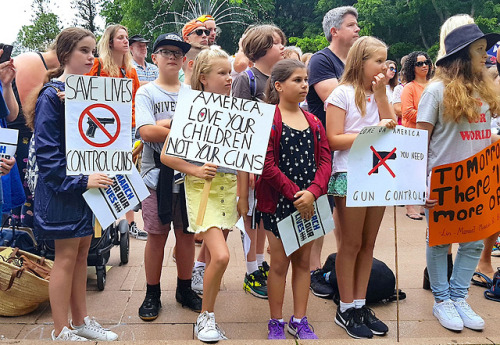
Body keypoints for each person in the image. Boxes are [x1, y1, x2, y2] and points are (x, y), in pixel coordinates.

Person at [28, 27, 118, 341]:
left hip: (85, 191)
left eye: (92, 50)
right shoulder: (51, 96)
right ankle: (60, 329)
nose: (90, 57)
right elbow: (48, 156)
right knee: (65, 259)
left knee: (82, 255)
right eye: (83, 50)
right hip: (63, 192)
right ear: (65, 54)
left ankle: (79, 322)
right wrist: (83, 179)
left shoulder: (83, 93)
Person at [417, 23, 500, 332]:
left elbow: (480, 133)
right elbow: (419, 142)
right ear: (463, 55)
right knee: (439, 243)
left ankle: (458, 296)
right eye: (480, 50)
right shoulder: (435, 91)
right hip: (441, 182)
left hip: (477, 181)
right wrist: (419, 185)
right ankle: (442, 301)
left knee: (475, 240)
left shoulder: (485, 89)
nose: (487, 55)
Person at [162, 48, 242, 342]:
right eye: (222, 73)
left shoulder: (237, 110)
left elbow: (244, 159)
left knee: (214, 257)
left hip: (229, 189)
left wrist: (244, 195)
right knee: (220, 256)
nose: (229, 79)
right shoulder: (189, 109)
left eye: (230, 73)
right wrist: (194, 171)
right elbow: (167, 157)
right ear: (204, 78)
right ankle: (205, 318)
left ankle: (207, 310)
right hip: (201, 190)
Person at [325, 36, 397, 339]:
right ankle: (345, 308)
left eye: (386, 61)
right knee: (351, 244)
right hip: (349, 174)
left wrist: (381, 97)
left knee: (369, 243)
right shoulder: (341, 93)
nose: (384, 67)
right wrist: (371, 132)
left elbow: (393, 127)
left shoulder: (383, 92)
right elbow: (334, 139)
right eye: (378, 61)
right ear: (360, 61)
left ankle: (359, 303)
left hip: (378, 172)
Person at [256, 59, 331, 339]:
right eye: (297, 80)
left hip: (309, 203)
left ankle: (299, 318)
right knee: (279, 264)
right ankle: (275, 319)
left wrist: (313, 192)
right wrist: (294, 194)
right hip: (279, 203)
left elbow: (325, 159)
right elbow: (267, 164)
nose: (304, 85)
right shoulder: (270, 120)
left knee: (303, 263)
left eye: (305, 80)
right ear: (278, 85)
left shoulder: (313, 121)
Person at [135, 33, 202, 321]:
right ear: (155, 57)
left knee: (186, 237)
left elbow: (206, 133)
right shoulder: (146, 92)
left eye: (177, 52)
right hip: (155, 178)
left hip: (189, 176)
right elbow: (145, 132)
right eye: (165, 51)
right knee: (156, 237)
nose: (172, 56)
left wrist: (165, 126)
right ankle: (152, 293)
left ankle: (184, 289)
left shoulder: (194, 93)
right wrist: (183, 130)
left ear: (185, 59)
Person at [306, 5, 360, 299]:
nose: (358, 30)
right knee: (321, 211)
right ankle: (314, 271)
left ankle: (341, 266)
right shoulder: (321, 60)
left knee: (344, 215)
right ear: (334, 31)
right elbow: (333, 96)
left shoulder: (351, 61)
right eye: (352, 25)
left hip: (348, 148)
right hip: (323, 147)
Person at [232, 24, 286, 299]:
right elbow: (239, 127)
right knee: (250, 215)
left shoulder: (280, 78)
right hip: (253, 160)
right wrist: (246, 168)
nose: (282, 47)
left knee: (264, 213)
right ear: (261, 47)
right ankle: (251, 268)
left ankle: (259, 263)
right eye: (276, 43)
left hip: (273, 159)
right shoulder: (247, 79)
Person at [86, 24, 145, 240]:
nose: (126, 41)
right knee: (103, 173)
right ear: (110, 42)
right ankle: (102, 224)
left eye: (127, 37)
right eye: (120, 37)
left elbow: (136, 98)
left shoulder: (130, 71)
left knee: (124, 173)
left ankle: (130, 223)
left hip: (126, 128)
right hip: (102, 128)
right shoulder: (98, 66)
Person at [401, 51, 432, 221]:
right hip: (412, 135)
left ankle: (422, 204)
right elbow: (407, 112)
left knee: (427, 171)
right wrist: (430, 115)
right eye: (420, 63)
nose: (424, 65)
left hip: (431, 135)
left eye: (426, 62)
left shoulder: (434, 85)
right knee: (411, 171)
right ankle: (409, 206)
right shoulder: (409, 87)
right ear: (412, 67)